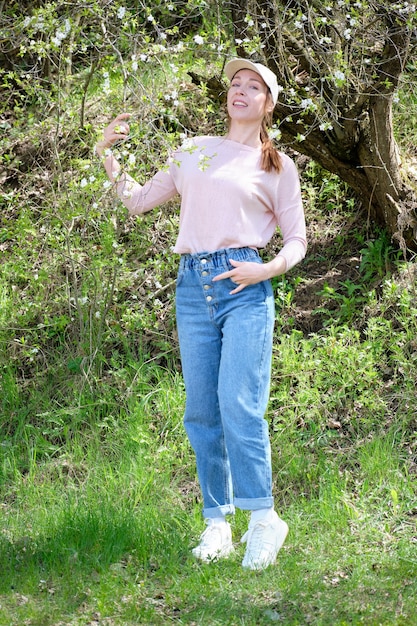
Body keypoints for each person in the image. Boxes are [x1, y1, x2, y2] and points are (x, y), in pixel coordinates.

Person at [95, 57, 307, 570]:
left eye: (253, 86)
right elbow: (139, 201)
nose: (240, 91)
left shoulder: (276, 166)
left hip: (245, 285)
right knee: (202, 412)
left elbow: (298, 240)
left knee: (240, 403)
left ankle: (262, 520)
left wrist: (265, 271)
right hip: (192, 288)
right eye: (235, 84)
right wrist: (106, 155)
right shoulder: (194, 151)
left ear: (268, 104)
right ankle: (217, 523)